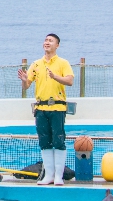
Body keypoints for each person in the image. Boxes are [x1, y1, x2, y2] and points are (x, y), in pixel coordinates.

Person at [18, 33, 74, 185]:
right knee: (44, 142)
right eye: (45, 40)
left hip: (57, 107)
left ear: (57, 45)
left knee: (59, 141)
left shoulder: (63, 63)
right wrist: (24, 81)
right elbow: (27, 85)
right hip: (41, 108)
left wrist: (55, 77)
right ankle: (48, 175)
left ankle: (58, 176)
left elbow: (70, 81)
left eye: (50, 40)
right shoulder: (36, 64)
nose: (47, 42)